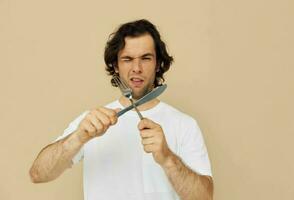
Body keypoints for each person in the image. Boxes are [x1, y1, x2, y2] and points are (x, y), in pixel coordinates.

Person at [29, 19, 214, 200]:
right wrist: (78, 138)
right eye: (127, 59)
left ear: (158, 64)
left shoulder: (184, 124)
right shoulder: (91, 121)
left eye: (146, 58)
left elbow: (205, 198)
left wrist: (167, 158)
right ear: (116, 66)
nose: (137, 68)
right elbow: (37, 174)